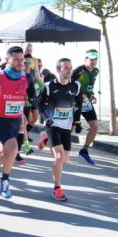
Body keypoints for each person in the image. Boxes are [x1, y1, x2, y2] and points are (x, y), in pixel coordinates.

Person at [0, 46, 36, 199]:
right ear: (7, 60)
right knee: (13, 147)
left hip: (15, 120)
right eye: (16, 59)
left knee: (2, 152)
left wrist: (35, 101)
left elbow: (31, 93)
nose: (20, 63)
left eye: (22, 60)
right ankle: (5, 182)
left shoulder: (26, 77)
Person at [38, 58, 82, 201]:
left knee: (66, 160)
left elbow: (78, 104)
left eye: (71, 67)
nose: (69, 70)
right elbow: (39, 104)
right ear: (58, 70)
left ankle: (44, 139)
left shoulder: (76, 86)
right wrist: (45, 118)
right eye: (66, 68)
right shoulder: (49, 86)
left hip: (66, 126)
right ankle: (57, 188)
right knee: (59, 158)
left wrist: (77, 121)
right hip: (53, 125)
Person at [71, 49, 99, 165]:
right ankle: (50, 139)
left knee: (95, 127)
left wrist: (91, 95)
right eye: (91, 59)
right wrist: (80, 94)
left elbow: (89, 85)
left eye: (95, 59)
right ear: (86, 59)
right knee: (70, 128)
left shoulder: (96, 71)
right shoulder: (79, 71)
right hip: (74, 103)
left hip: (87, 103)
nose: (93, 62)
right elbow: (68, 83)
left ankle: (84, 150)